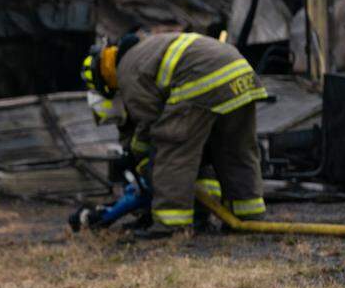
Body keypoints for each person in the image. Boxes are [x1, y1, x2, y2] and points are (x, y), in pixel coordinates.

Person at [80, 31, 268, 237]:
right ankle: (247, 217)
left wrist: (136, 154)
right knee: (235, 149)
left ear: (105, 82)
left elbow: (149, 124)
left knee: (171, 148)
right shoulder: (148, 46)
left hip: (203, 80)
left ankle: (171, 225)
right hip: (240, 71)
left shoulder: (126, 72)